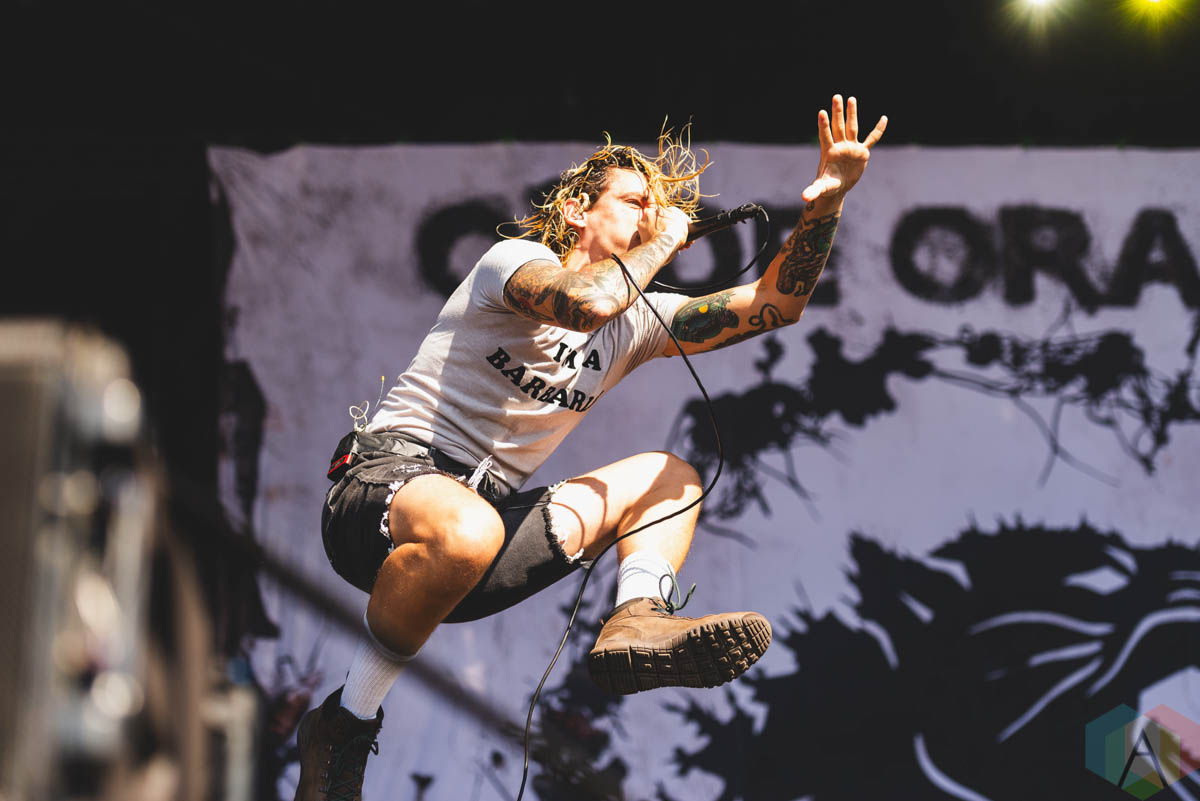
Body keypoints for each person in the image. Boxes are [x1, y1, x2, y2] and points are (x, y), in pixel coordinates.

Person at [294, 95, 887, 801]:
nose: (650, 216)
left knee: (670, 476)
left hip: (478, 531)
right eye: (634, 201)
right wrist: (664, 238)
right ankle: (346, 723)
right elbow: (588, 302)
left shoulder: (637, 323)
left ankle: (637, 615)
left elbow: (774, 304)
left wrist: (828, 201)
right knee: (467, 529)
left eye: (656, 209)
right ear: (577, 209)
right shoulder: (514, 263)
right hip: (382, 487)